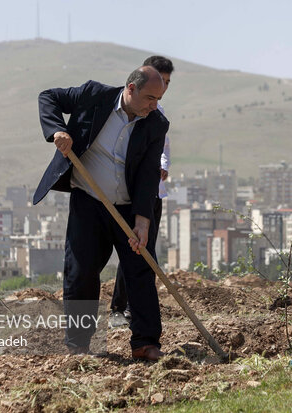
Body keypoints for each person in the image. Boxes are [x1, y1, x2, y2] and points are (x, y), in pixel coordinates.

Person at [33, 66, 169, 361]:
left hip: (129, 208)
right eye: (149, 98)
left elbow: (148, 176)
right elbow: (48, 98)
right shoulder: (94, 95)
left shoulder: (156, 123)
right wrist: (57, 130)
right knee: (80, 270)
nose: (154, 105)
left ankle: (145, 343)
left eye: (159, 99)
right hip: (90, 201)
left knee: (140, 270)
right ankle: (78, 345)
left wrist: (143, 223)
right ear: (130, 89)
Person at [109, 56, 174, 329]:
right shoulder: (131, 110)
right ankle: (119, 308)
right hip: (127, 195)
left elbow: (163, 152)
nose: (163, 88)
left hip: (152, 195)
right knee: (134, 251)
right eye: (160, 81)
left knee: (141, 249)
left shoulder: (157, 116)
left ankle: (137, 314)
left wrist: (161, 167)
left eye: (168, 83)